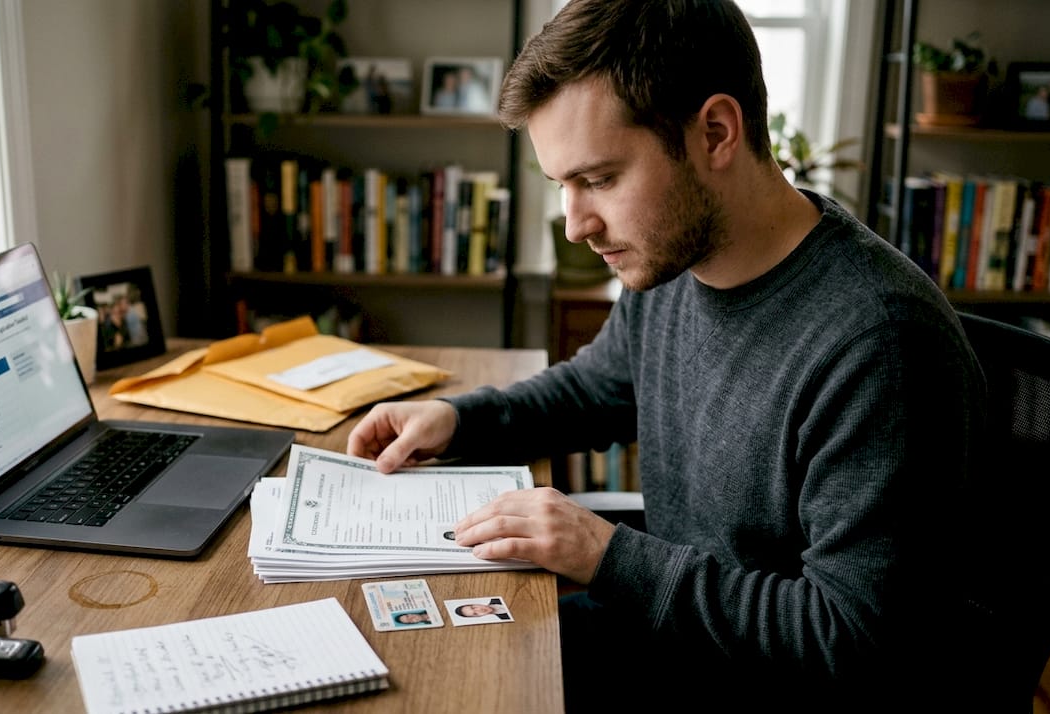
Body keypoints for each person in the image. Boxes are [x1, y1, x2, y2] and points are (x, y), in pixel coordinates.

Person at [347, 1, 987, 711]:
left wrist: (605, 554)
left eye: (599, 179)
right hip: (679, 645)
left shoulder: (880, 345)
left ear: (715, 132)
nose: (576, 224)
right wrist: (456, 419)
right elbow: (594, 390)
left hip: (766, 683)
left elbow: (850, 642)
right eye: (562, 186)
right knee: (410, 663)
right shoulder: (674, 260)